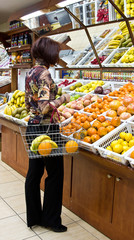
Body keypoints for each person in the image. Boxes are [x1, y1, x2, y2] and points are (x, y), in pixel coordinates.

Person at [25, 37, 70, 232]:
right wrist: (64, 98)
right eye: (56, 52)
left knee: (34, 174)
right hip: (47, 130)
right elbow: (45, 107)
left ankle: (34, 217)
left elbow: (31, 104)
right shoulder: (44, 73)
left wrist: (53, 93)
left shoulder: (30, 72)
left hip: (32, 127)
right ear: (49, 53)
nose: (57, 55)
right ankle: (51, 220)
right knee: (55, 174)